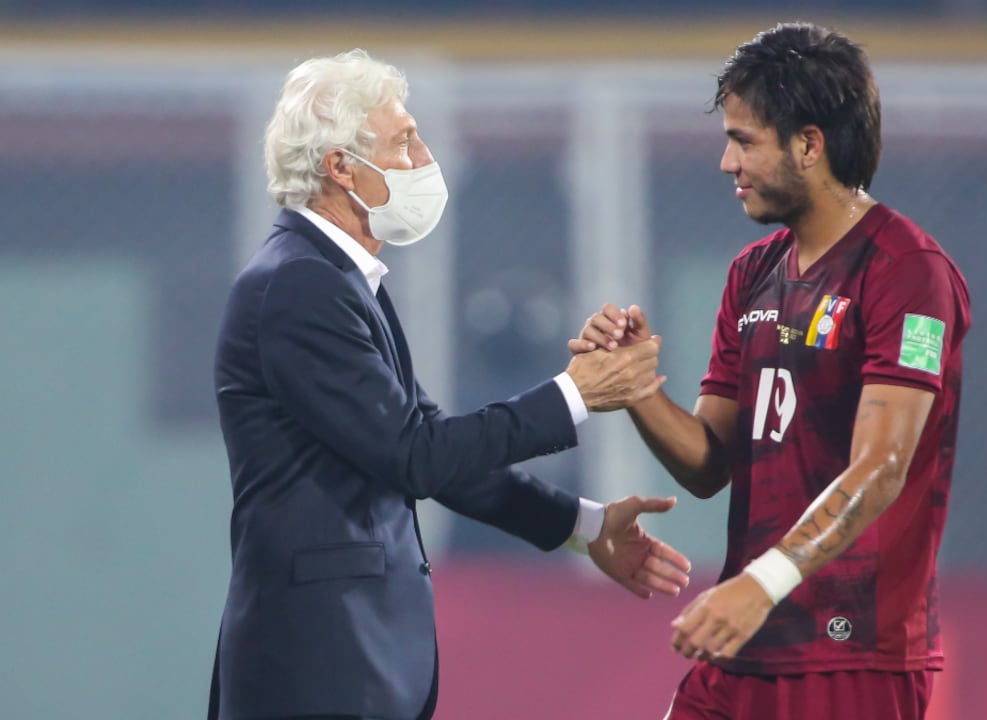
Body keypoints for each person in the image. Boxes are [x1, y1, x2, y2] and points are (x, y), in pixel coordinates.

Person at [209, 49, 691, 720]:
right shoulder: (300, 285)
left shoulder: (336, 280)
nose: (423, 158)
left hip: (346, 662)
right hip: (317, 664)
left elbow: (435, 461)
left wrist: (582, 527)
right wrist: (577, 393)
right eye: (404, 141)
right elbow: (416, 456)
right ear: (341, 167)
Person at [571, 22, 970, 720]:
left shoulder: (910, 274)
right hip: (746, 639)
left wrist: (762, 584)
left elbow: (882, 466)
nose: (728, 162)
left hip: (852, 652)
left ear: (809, 145)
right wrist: (635, 387)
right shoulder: (752, 275)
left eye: (745, 140)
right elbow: (708, 463)